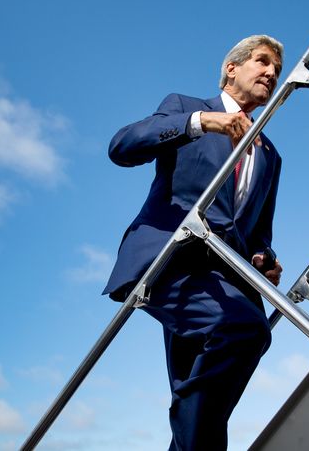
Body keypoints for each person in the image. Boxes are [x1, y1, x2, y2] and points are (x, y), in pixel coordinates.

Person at [103, 35, 285, 450]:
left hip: (225, 280)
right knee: (243, 330)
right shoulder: (186, 107)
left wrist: (264, 258)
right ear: (231, 69)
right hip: (171, 263)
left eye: (275, 68)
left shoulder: (270, 153)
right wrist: (201, 122)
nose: (271, 73)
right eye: (262, 62)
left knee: (195, 398)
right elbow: (122, 147)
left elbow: (257, 230)